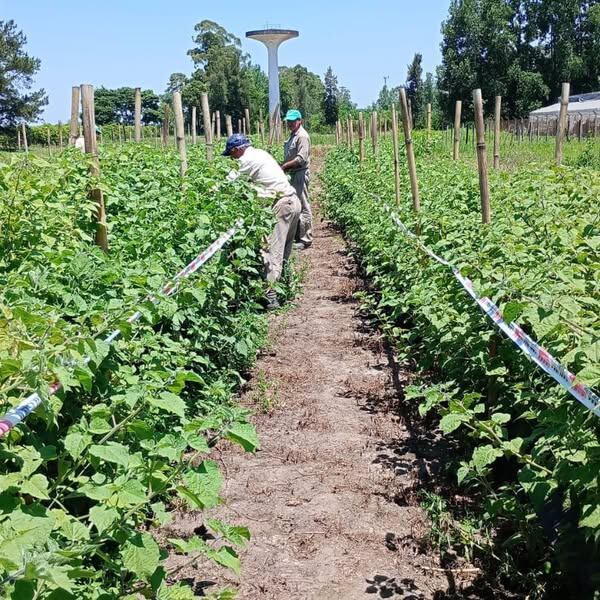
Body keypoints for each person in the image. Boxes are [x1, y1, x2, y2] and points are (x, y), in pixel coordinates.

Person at [223, 133, 301, 309]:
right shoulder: (260, 153)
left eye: (231, 154)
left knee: (271, 252)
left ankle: (271, 297)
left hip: (282, 206)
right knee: (284, 251)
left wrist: (210, 193)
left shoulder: (246, 160)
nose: (232, 158)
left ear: (236, 150)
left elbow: (228, 184)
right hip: (293, 203)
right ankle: (285, 288)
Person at [281, 109, 312, 249]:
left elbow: (301, 158)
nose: (290, 123)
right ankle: (297, 235)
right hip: (293, 173)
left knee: (303, 205)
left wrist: (285, 166)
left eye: (293, 121)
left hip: (300, 172)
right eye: (289, 121)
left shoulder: (302, 136)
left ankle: (306, 239)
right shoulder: (293, 135)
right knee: (295, 204)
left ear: (300, 121)